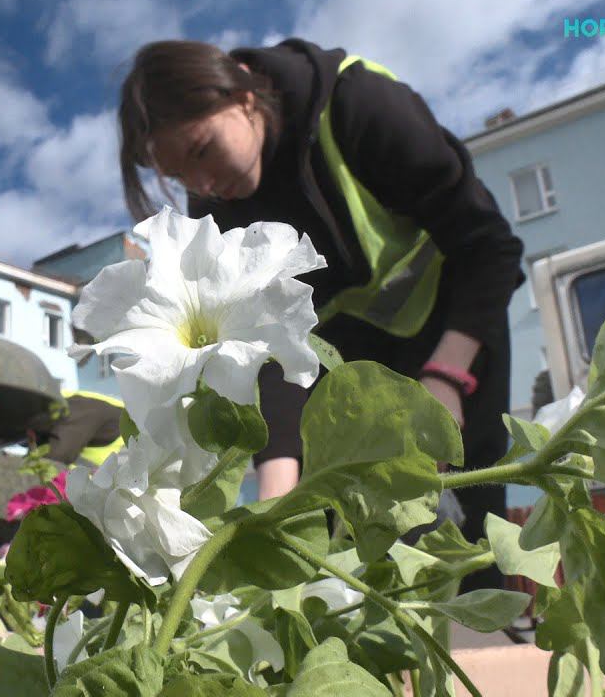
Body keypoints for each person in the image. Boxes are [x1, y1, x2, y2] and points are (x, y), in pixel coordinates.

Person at [117, 39, 524, 587]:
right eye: (180, 177)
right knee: (342, 532)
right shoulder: (218, 206)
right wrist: (276, 502)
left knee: (470, 505)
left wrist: (446, 379)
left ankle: (484, 625)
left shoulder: (356, 103)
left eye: (202, 150)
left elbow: (489, 245)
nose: (203, 185)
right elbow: (269, 347)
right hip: (348, 356)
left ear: (241, 92)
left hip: (455, 323)